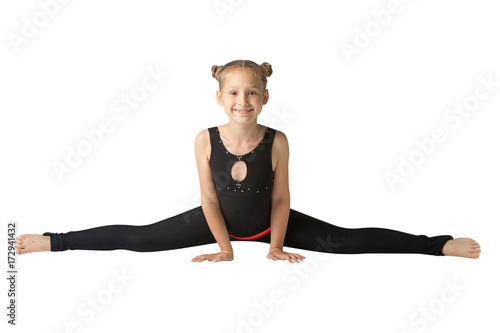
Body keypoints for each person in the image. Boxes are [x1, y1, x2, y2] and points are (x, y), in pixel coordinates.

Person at [15, 59, 481, 263]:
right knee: (138, 239)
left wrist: (275, 246)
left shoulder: (277, 139)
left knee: (348, 241)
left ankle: (435, 245)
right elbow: (208, 199)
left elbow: (281, 199)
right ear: (220, 98)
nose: (243, 100)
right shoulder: (204, 138)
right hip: (213, 222)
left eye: (252, 92)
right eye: (234, 93)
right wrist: (225, 248)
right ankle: (55, 241)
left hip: (268, 223)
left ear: (265, 97)